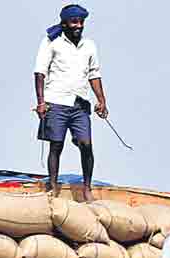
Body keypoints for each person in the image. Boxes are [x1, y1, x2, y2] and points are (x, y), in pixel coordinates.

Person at [33, 4, 107, 201]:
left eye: (81, 22)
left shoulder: (89, 45)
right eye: (74, 22)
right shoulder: (52, 42)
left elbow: (94, 74)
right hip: (56, 101)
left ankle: (87, 189)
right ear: (65, 23)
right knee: (56, 145)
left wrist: (101, 101)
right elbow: (40, 73)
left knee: (86, 144)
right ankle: (53, 187)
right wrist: (41, 102)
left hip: (80, 104)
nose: (79, 26)